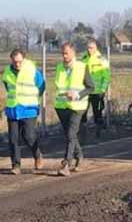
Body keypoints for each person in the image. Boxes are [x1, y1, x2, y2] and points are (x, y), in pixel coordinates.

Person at [1, 49, 45, 175]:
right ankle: (16, 165)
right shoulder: (7, 72)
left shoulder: (32, 70)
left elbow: (41, 86)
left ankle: (37, 155)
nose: (18, 65)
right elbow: (7, 86)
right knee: (13, 139)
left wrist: (34, 98)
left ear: (24, 59)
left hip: (28, 109)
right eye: (15, 62)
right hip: (13, 110)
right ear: (11, 60)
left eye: (20, 62)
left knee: (29, 137)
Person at [54, 42, 95, 177]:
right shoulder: (59, 67)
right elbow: (59, 87)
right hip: (61, 106)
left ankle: (66, 164)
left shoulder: (82, 67)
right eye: (62, 53)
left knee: (71, 134)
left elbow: (91, 87)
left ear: (73, 53)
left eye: (66, 53)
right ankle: (80, 156)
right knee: (70, 135)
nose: (64, 56)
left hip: (77, 107)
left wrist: (78, 94)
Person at [81, 39, 111, 137]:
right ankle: (83, 132)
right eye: (88, 48)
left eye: (91, 48)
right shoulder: (84, 58)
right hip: (85, 91)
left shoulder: (102, 59)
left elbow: (106, 76)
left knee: (97, 111)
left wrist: (103, 89)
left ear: (95, 48)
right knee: (82, 111)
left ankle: (99, 131)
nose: (89, 50)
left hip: (97, 91)